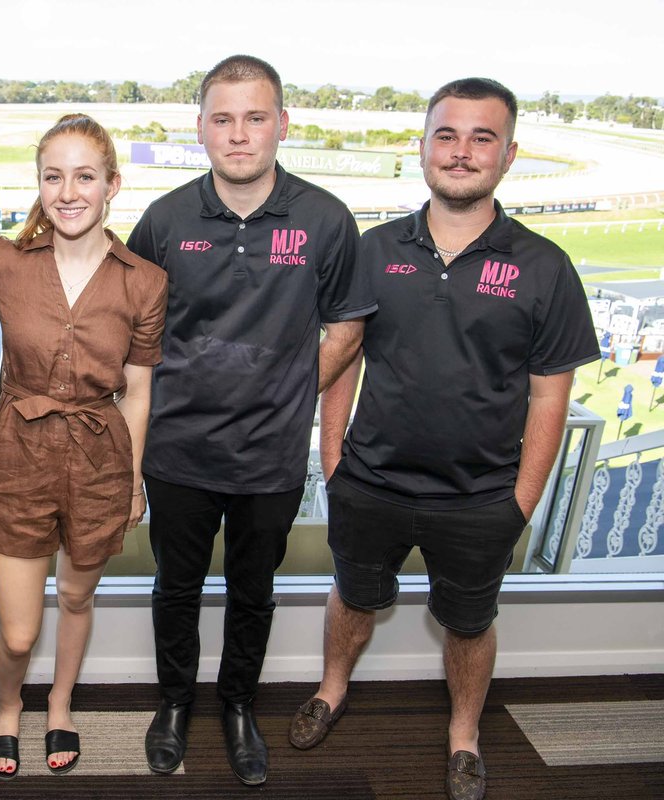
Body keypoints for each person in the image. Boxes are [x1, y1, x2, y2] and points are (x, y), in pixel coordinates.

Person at [289, 78, 599, 800]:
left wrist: (521, 501)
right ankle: (331, 690)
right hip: (369, 483)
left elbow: (551, 396)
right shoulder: (373, 249)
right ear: (423, 147)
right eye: (447, 135)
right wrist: (333, 460)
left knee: (469, 622)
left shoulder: (544, 266)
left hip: (481, 498)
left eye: (481, 137)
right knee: (352, 596)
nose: (461, 153)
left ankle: (465, 735)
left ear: (509, 154)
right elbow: (343, 361)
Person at [125, 55, 374, 786]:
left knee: (252, 593)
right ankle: (173, 703)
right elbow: (135, 334)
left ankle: (237, 706)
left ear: (282, 125)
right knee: (175, 587)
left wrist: (290, 398)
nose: (239, 135)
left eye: (255, 118)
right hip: (175, 452)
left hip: (269, 458)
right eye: (224, 119)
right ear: (201, 128)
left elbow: (347, 332)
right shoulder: (165, 219)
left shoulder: (325, 219)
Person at [0, 114, 166, 779]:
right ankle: (8, 704)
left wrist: (134, 480)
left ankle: (59, 703)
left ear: (112, 184)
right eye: (54, 176)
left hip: (101, 461)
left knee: (77, 598)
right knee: (18, 631)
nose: (68, 191)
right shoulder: (5, 260)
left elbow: (137, 391)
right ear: (40, 184)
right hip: (17, 457)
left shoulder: (143, 280)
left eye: (85, 176)